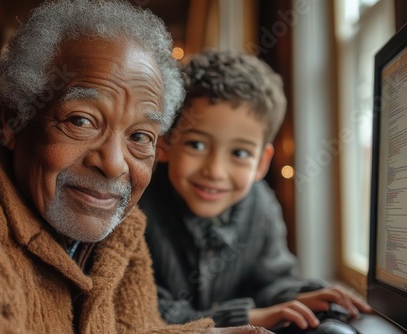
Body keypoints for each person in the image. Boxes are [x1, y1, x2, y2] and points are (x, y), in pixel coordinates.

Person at [0, 1, 270, 333]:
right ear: (13, 119)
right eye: (81, 121)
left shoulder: (118, 227)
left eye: (140, 136)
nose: (114, 165)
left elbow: (134, 328)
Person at [138, 49, 372, 332]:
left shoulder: (260, 204)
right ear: (165, 144)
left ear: (262, 163)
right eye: (196, 145)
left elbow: (270, 282)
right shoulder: (139, 204)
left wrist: (298, 296)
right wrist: (248, 316)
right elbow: (143, 311)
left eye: (239, 152)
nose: (215, 170)